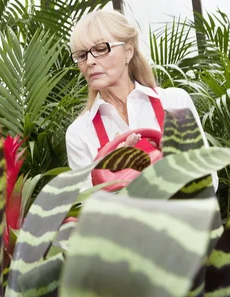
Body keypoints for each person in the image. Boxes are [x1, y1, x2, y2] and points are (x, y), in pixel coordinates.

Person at [65, 9, 217, 189]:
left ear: (128, 51)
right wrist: (110, 175)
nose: (89, 61)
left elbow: (208, 183)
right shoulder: (80, 133)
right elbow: (88, 209)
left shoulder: (174, 102)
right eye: (82, 55)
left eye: (100, 49)